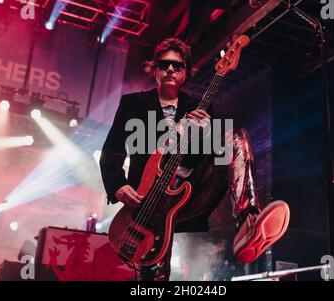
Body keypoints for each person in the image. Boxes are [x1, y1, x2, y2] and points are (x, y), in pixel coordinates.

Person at [100, 37, 290, 281]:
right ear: (155, 69)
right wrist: (117, 186)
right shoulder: (133, 103)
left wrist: (208, 132)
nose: (170, 69)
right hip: (145, 200)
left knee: (237, 138)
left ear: (186, 73)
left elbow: (205, 158)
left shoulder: (199, 107)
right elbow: (112, 149)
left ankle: (248, 222)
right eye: (165, 64)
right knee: (154, 273)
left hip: (188, 192)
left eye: (177, 66)